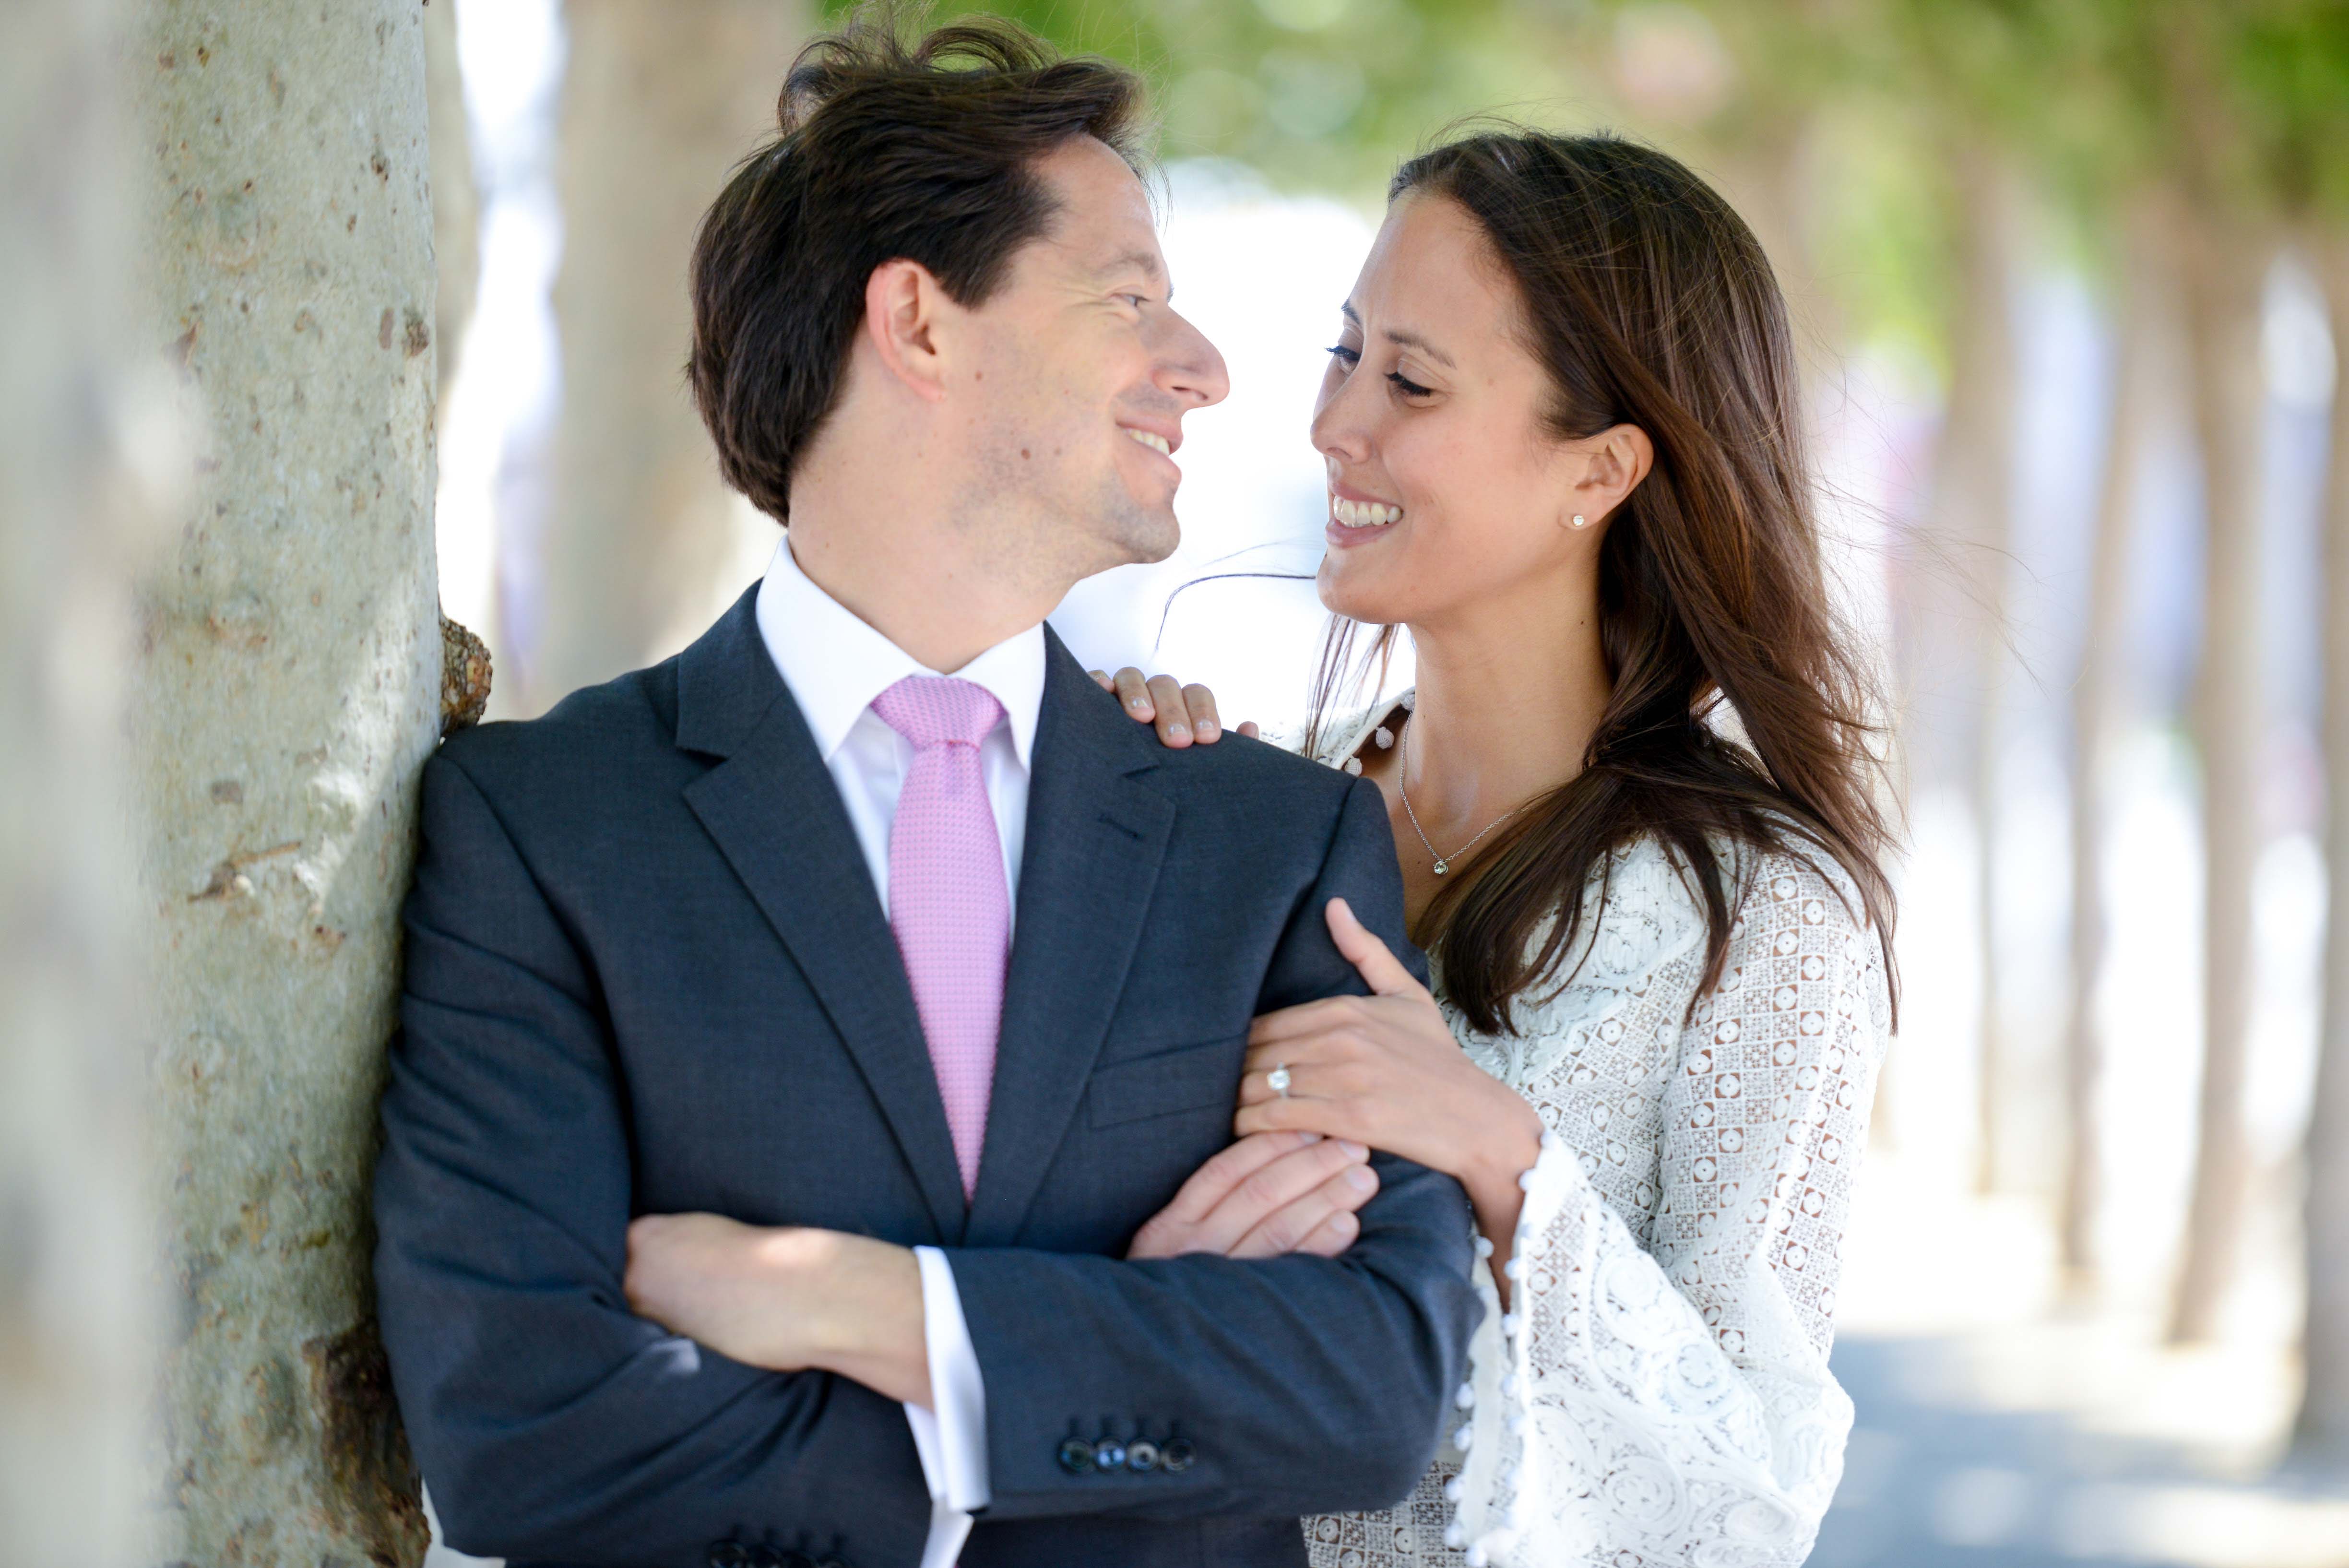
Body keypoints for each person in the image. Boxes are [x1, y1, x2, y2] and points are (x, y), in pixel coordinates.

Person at [370, 17, 1480, 1568]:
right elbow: (523, 1437)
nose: (1207, 369)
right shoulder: (541, 828)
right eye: (1132, 299)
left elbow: (1374, 1390)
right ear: (921, 324)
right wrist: (1087, 1366)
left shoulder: (1277, 846)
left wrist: (877, 1315)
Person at [1099, 129, 1899, 1566]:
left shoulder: (1764, 915)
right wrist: (1103, 810)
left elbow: (1750, 1500)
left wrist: (1497, 1151)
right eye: (1344, 354)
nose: (1335, 424)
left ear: (1600, 467)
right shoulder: (1255, 804)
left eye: (1410, 379)